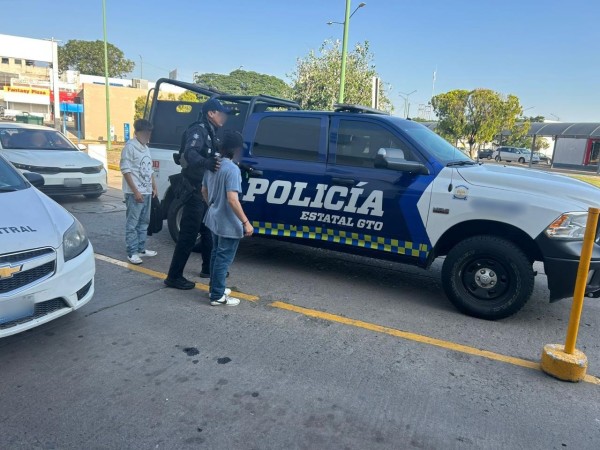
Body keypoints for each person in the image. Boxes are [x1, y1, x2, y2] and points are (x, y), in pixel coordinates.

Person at [164, 98, 227, 289]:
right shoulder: (198, 130)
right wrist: (205, 163)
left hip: (204, 190)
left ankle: (208, 268)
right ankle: (174, 276)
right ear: (211, 113)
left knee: (208, 229)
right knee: (188, 235)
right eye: (220, 113)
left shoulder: (211, 131)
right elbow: (190, 153)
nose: (223, 117)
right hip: (193, 190)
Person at [202, 130, 253, 306]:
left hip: (214, 218)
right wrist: (246, 222)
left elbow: (204, 190)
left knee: (216, 255)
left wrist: (213, 206)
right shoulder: (232, 169)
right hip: (228, 222)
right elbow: (232, 199)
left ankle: (215, 288)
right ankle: (217, 295)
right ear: (235, 149)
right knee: (223, 259)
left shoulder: (213, 165)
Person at [119, 119, 158, 264]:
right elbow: (126, 170)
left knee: (144, 222)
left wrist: (154, 186)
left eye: (149, 133)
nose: (148, 136)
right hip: (134, 193)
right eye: (145, 133)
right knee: (133, 223)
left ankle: (141, 249)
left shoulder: (146, 148)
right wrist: (135, 191)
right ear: (137, 132)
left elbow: (149, 169)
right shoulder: (130, 147)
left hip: (146, 191)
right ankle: (132, 252)